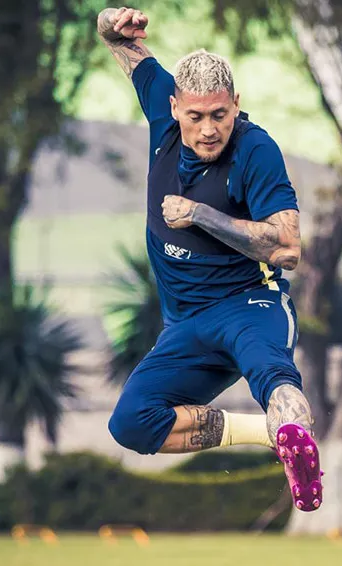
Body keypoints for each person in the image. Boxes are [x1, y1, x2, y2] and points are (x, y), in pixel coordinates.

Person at [96, 6, 322, 512]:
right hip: (185, 324)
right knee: (131, 423)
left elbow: (288, 248)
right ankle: (269, 434)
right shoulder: (163, 113)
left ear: (236, 105)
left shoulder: (255, 149)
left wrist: (201, 214)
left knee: (275, 379)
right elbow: (117, 42)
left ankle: (297, 441)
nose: (208, 130)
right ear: (174, 106)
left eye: (220, 115)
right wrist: (111, 22)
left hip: (249, 306)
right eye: (195, 116)